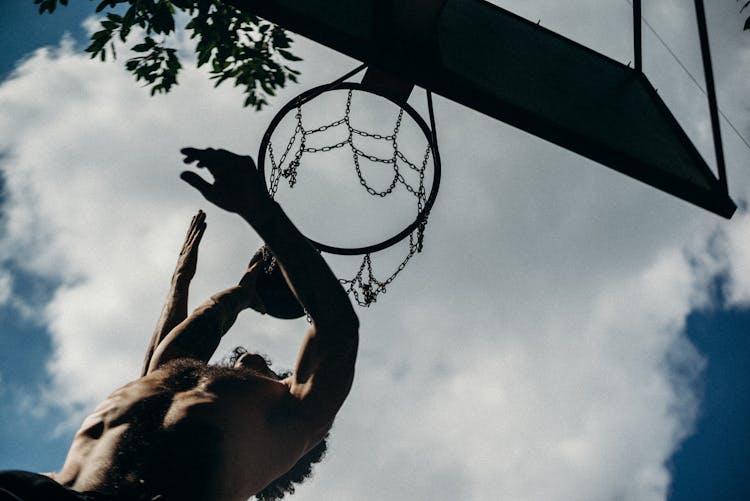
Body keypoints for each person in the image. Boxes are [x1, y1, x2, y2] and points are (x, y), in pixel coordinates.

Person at [0, 148, 359, 501]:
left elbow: (338, 328)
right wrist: (191, 283)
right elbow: (170, 353)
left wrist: (262, 213)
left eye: (263, 365)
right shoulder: (178, 381)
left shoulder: (295, 416)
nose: (244, 357)